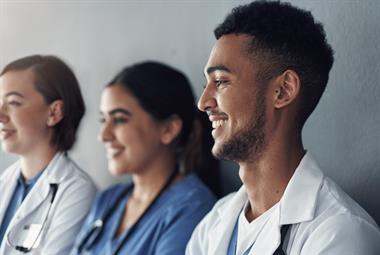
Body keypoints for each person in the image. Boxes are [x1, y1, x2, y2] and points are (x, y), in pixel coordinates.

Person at [186, 1, 380, 255]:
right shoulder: (214, 223)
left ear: (283, 90)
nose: (203, 103)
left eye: (221, 81)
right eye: (206, 85)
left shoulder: (342, 233)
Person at [70, 61, 216, 255]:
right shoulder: (108, 200)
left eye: (120, 119)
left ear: (168, 129)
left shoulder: (192, 208)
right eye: (103, 120)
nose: (104, 135)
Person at [0, 55, 97, 254]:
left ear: (54, 113)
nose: (0, 114)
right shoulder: (5, 182)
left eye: (14, 103)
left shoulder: (77, 192)